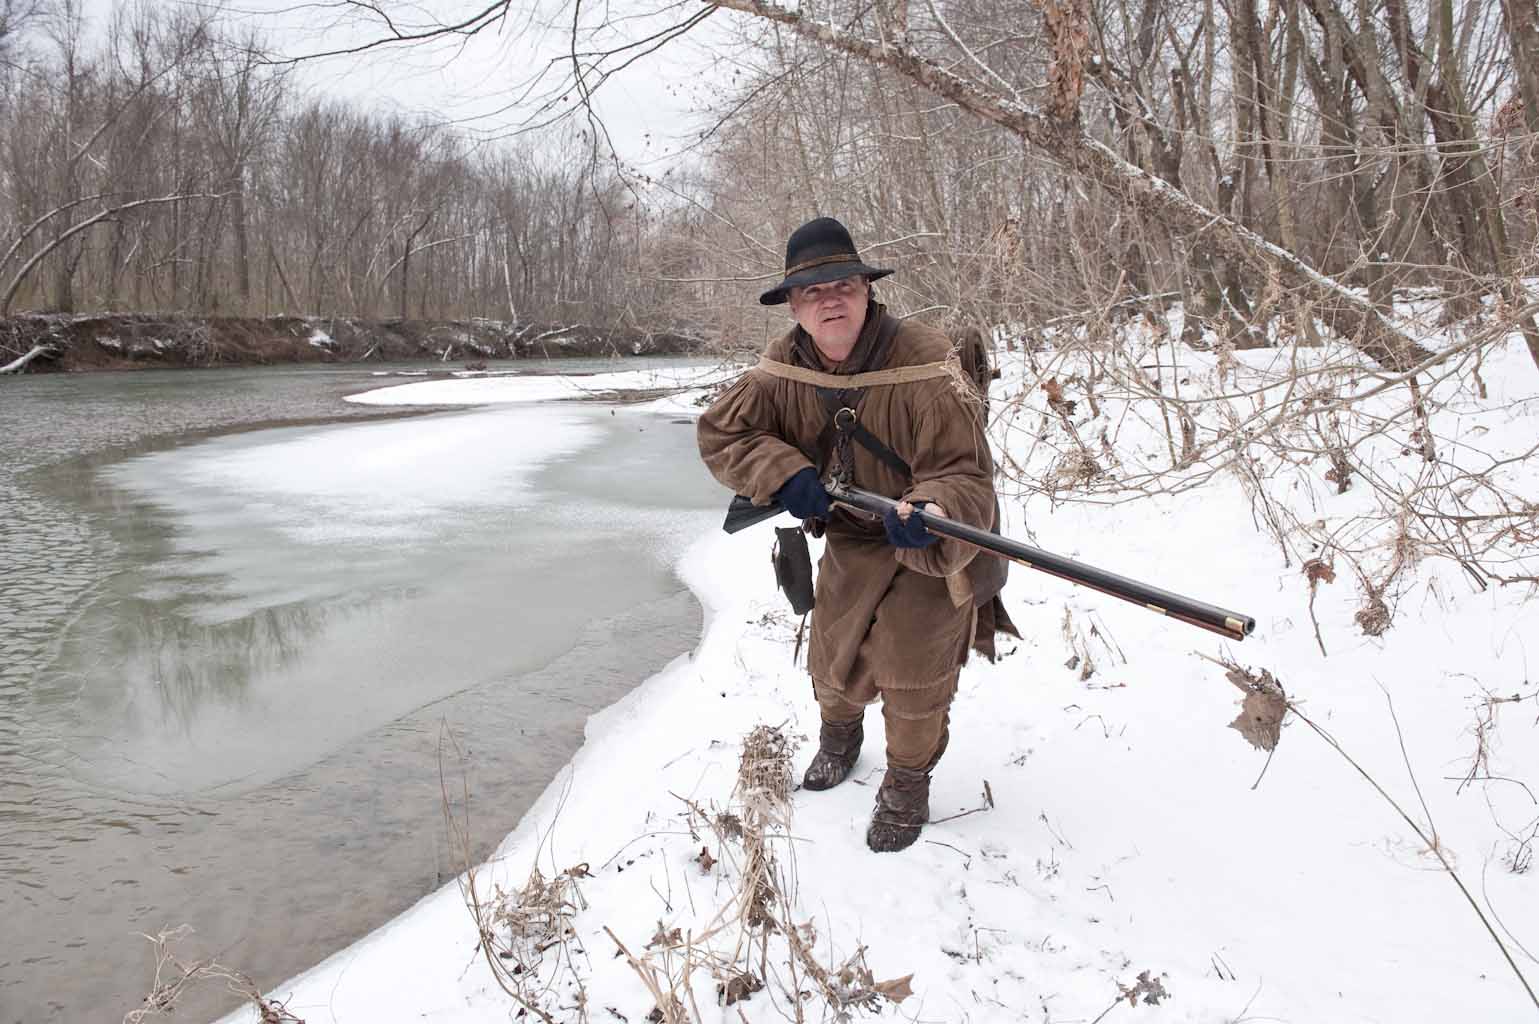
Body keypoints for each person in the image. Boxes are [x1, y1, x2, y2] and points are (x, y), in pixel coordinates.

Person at [696, 217, 1009, 853]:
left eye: (843, 285)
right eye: (813, 292)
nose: (830, 300)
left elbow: (964, 473)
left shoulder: (926, 362)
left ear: (867, 291)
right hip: (848, 539)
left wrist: (929, 509)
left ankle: (906, 782)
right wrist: (783, 473)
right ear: (793, 305)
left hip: (930, 547)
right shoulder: (779, 370)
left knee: (912, 671)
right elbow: (723, 435)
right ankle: (840, 740)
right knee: (832, 661)